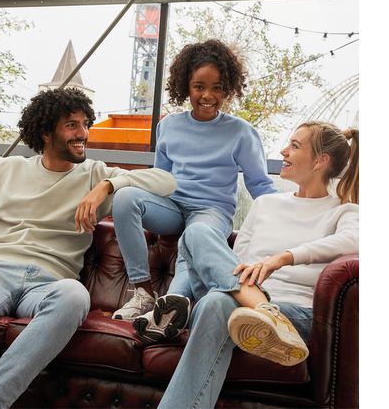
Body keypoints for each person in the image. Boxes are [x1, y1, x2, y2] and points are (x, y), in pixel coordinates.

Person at [0, 88, 176, 409]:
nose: (83, 133)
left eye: (85, 124)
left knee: (75, 296)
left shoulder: (94, 174)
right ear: (46, 132)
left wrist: (107, 185)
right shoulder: (5, 171)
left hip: (51, 282)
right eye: (72, 125)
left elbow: (166, 182)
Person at [136, 120, 359, 409]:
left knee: (217, 302)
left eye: (294, 146)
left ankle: (266, 313)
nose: (284, 151)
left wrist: (283, 257)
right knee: (197, 231)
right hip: (243, 298)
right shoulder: (266, 204)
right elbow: (236, 262)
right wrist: (247, 291)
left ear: (320, 161)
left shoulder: (343, 210)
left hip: (294, 312)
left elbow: (353, 241)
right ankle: (260, 306)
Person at [111, 39, 276, 321]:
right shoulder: (168, 126)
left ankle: (168, 311)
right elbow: (159, 179)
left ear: (228, 88)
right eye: (199, 86)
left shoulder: (241, 132)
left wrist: (286, 216)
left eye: (217, 87)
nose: (207, 95)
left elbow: (260, 184)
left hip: (212, 212)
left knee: (194, 236)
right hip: (172, 209)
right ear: (185, 86)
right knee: (125, 197)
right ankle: (143, 293)